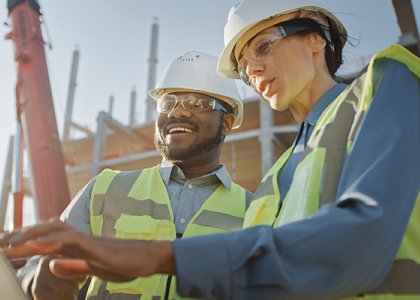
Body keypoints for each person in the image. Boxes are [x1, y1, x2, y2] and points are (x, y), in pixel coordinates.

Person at [1, 1, 419, 299]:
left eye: (263, 45)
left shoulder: (384, 85)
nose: (252, 70)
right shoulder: (276, 180)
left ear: (314, 36)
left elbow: (359, 243)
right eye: (242, 63)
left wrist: (158, 256)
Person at [9, 50, 251, 300]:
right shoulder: (105, 190)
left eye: (196, 103)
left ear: (226, 123)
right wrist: (35, 278)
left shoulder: (255, 210)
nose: (177, 112)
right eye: (168, 103)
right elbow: (42, 260)